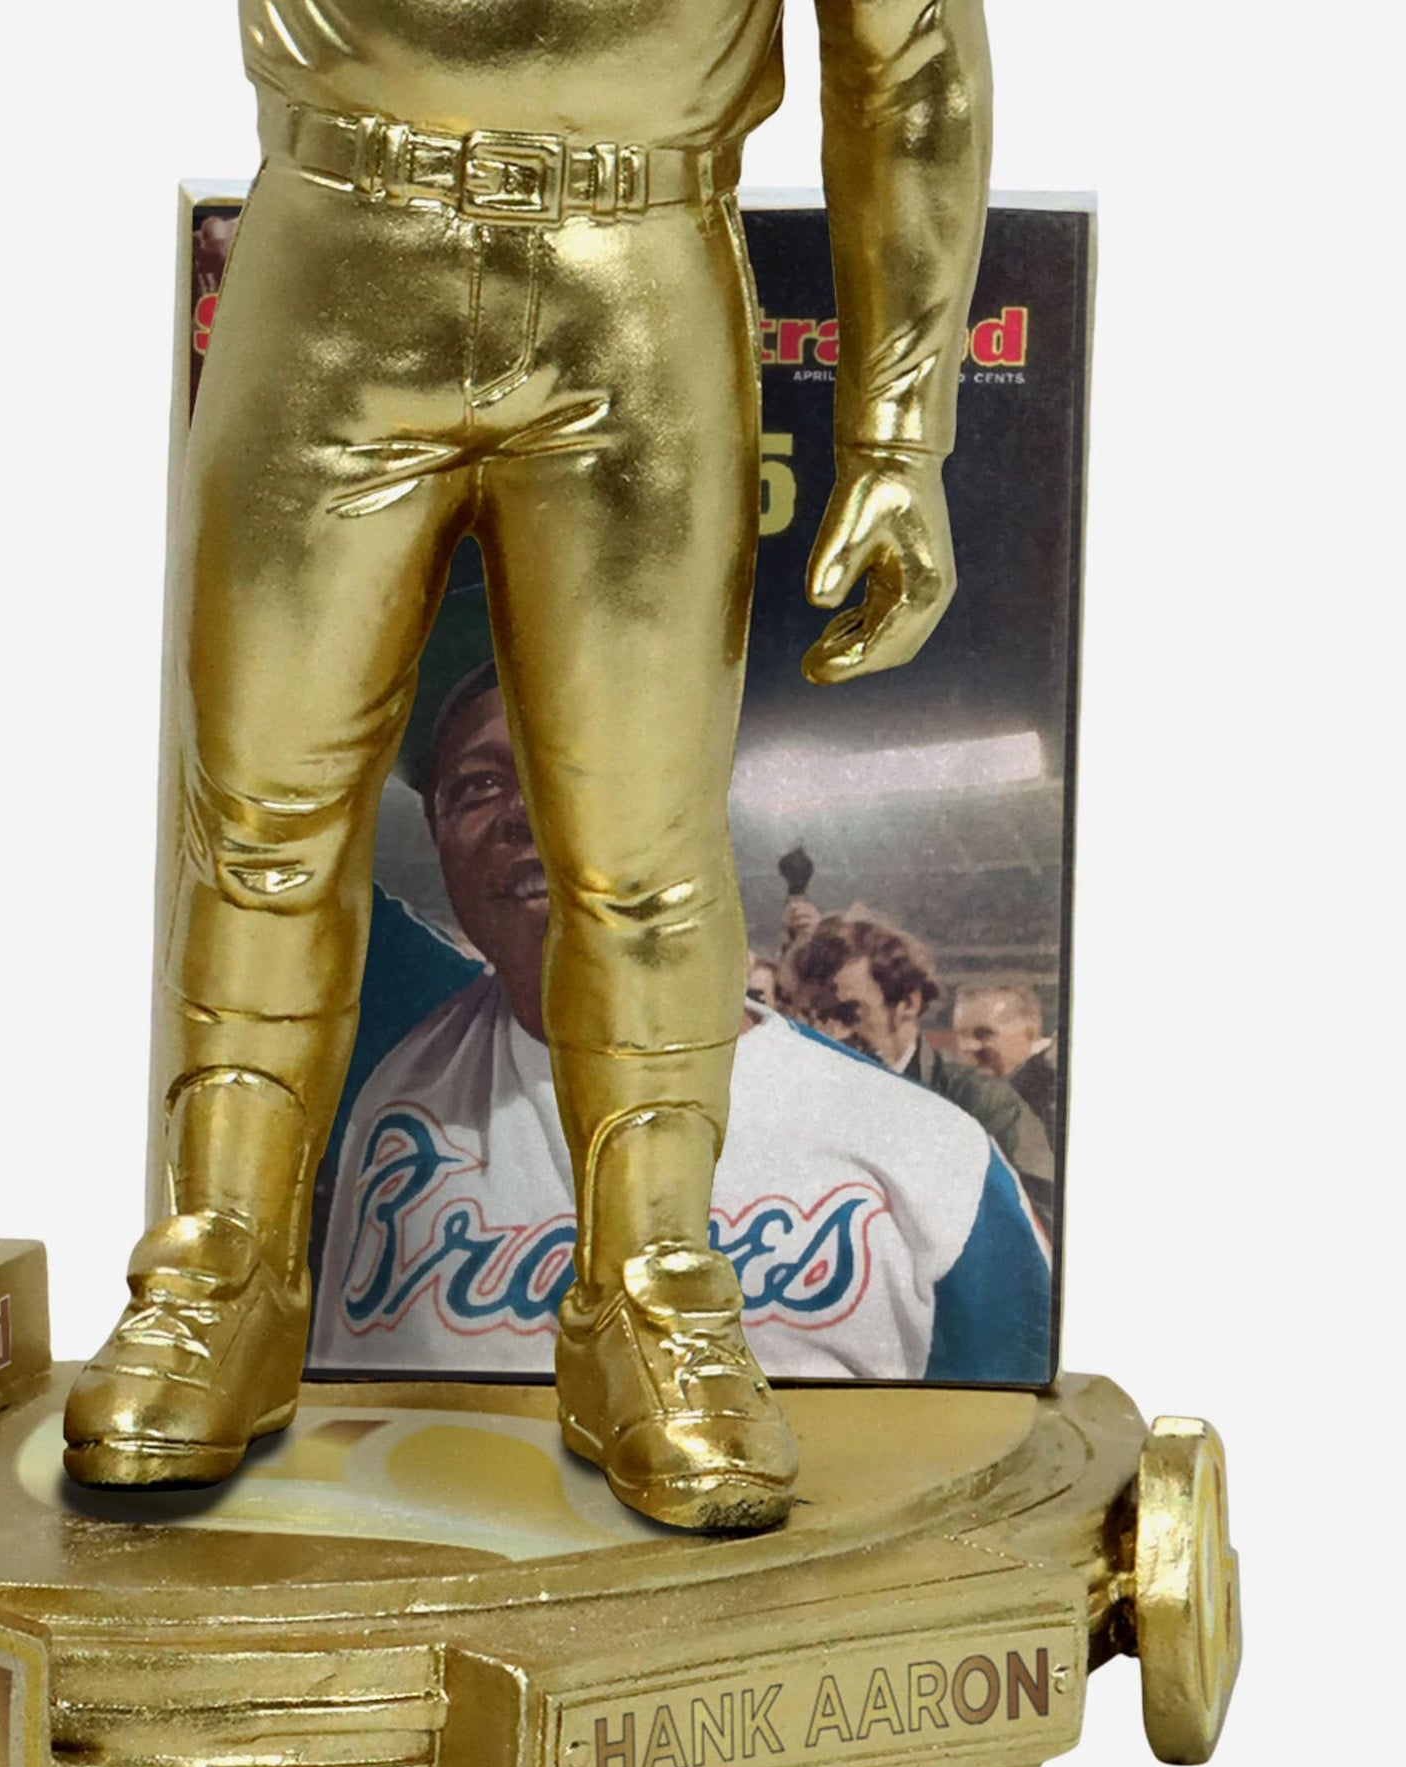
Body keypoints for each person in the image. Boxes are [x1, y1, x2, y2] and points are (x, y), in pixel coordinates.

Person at [65, 1, 994, 1531]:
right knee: (261, 823)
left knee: (644, 855)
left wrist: (901, 435)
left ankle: (652, 1290)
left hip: (633, 265)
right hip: (340, 239)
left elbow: (910, 46)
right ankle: (222, 1265)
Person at [313, 667, 1052, 1385]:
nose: (525, 807)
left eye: (573, 765)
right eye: (478, 785)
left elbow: (1030, 1451)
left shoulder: (925, 1150)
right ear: (437, 835)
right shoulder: (384, 1036)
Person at [779, 914, 1055, 1234]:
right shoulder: (800, 1105)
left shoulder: (981, 1104)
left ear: (908, 1002)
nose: (828, 1035)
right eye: (812, 1016)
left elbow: (1043, 1226)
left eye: (848, 1013)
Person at [955, 982, 1059, 1147]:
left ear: (1030, 1033)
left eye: (984, 1034)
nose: (967, 1046)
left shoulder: (1056, 1094)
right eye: (962, 1035)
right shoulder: (968, 1093)